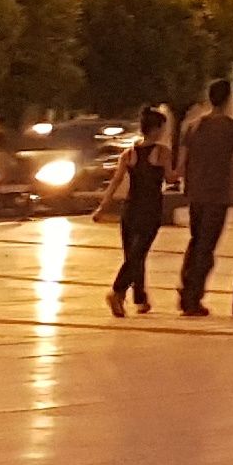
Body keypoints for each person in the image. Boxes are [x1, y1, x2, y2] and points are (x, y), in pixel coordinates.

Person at [174, 78, 233, 317]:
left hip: (196, 194)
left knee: (196, 241)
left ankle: (186, 288)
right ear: (229, 99)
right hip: (217, 195)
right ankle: (192, 297)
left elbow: (182, 162)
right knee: (206, 248)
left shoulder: (193, 127)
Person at [103, 106, 169, 317]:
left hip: (130, 210)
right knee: (137, 255)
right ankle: (117, 290)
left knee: (133, 254)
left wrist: (102, 207)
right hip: (150, 210)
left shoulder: (129, 153)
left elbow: (115, 181)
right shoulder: (162, 152)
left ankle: (140, 299)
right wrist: (185, 164)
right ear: (157, 129)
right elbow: (172, 178)